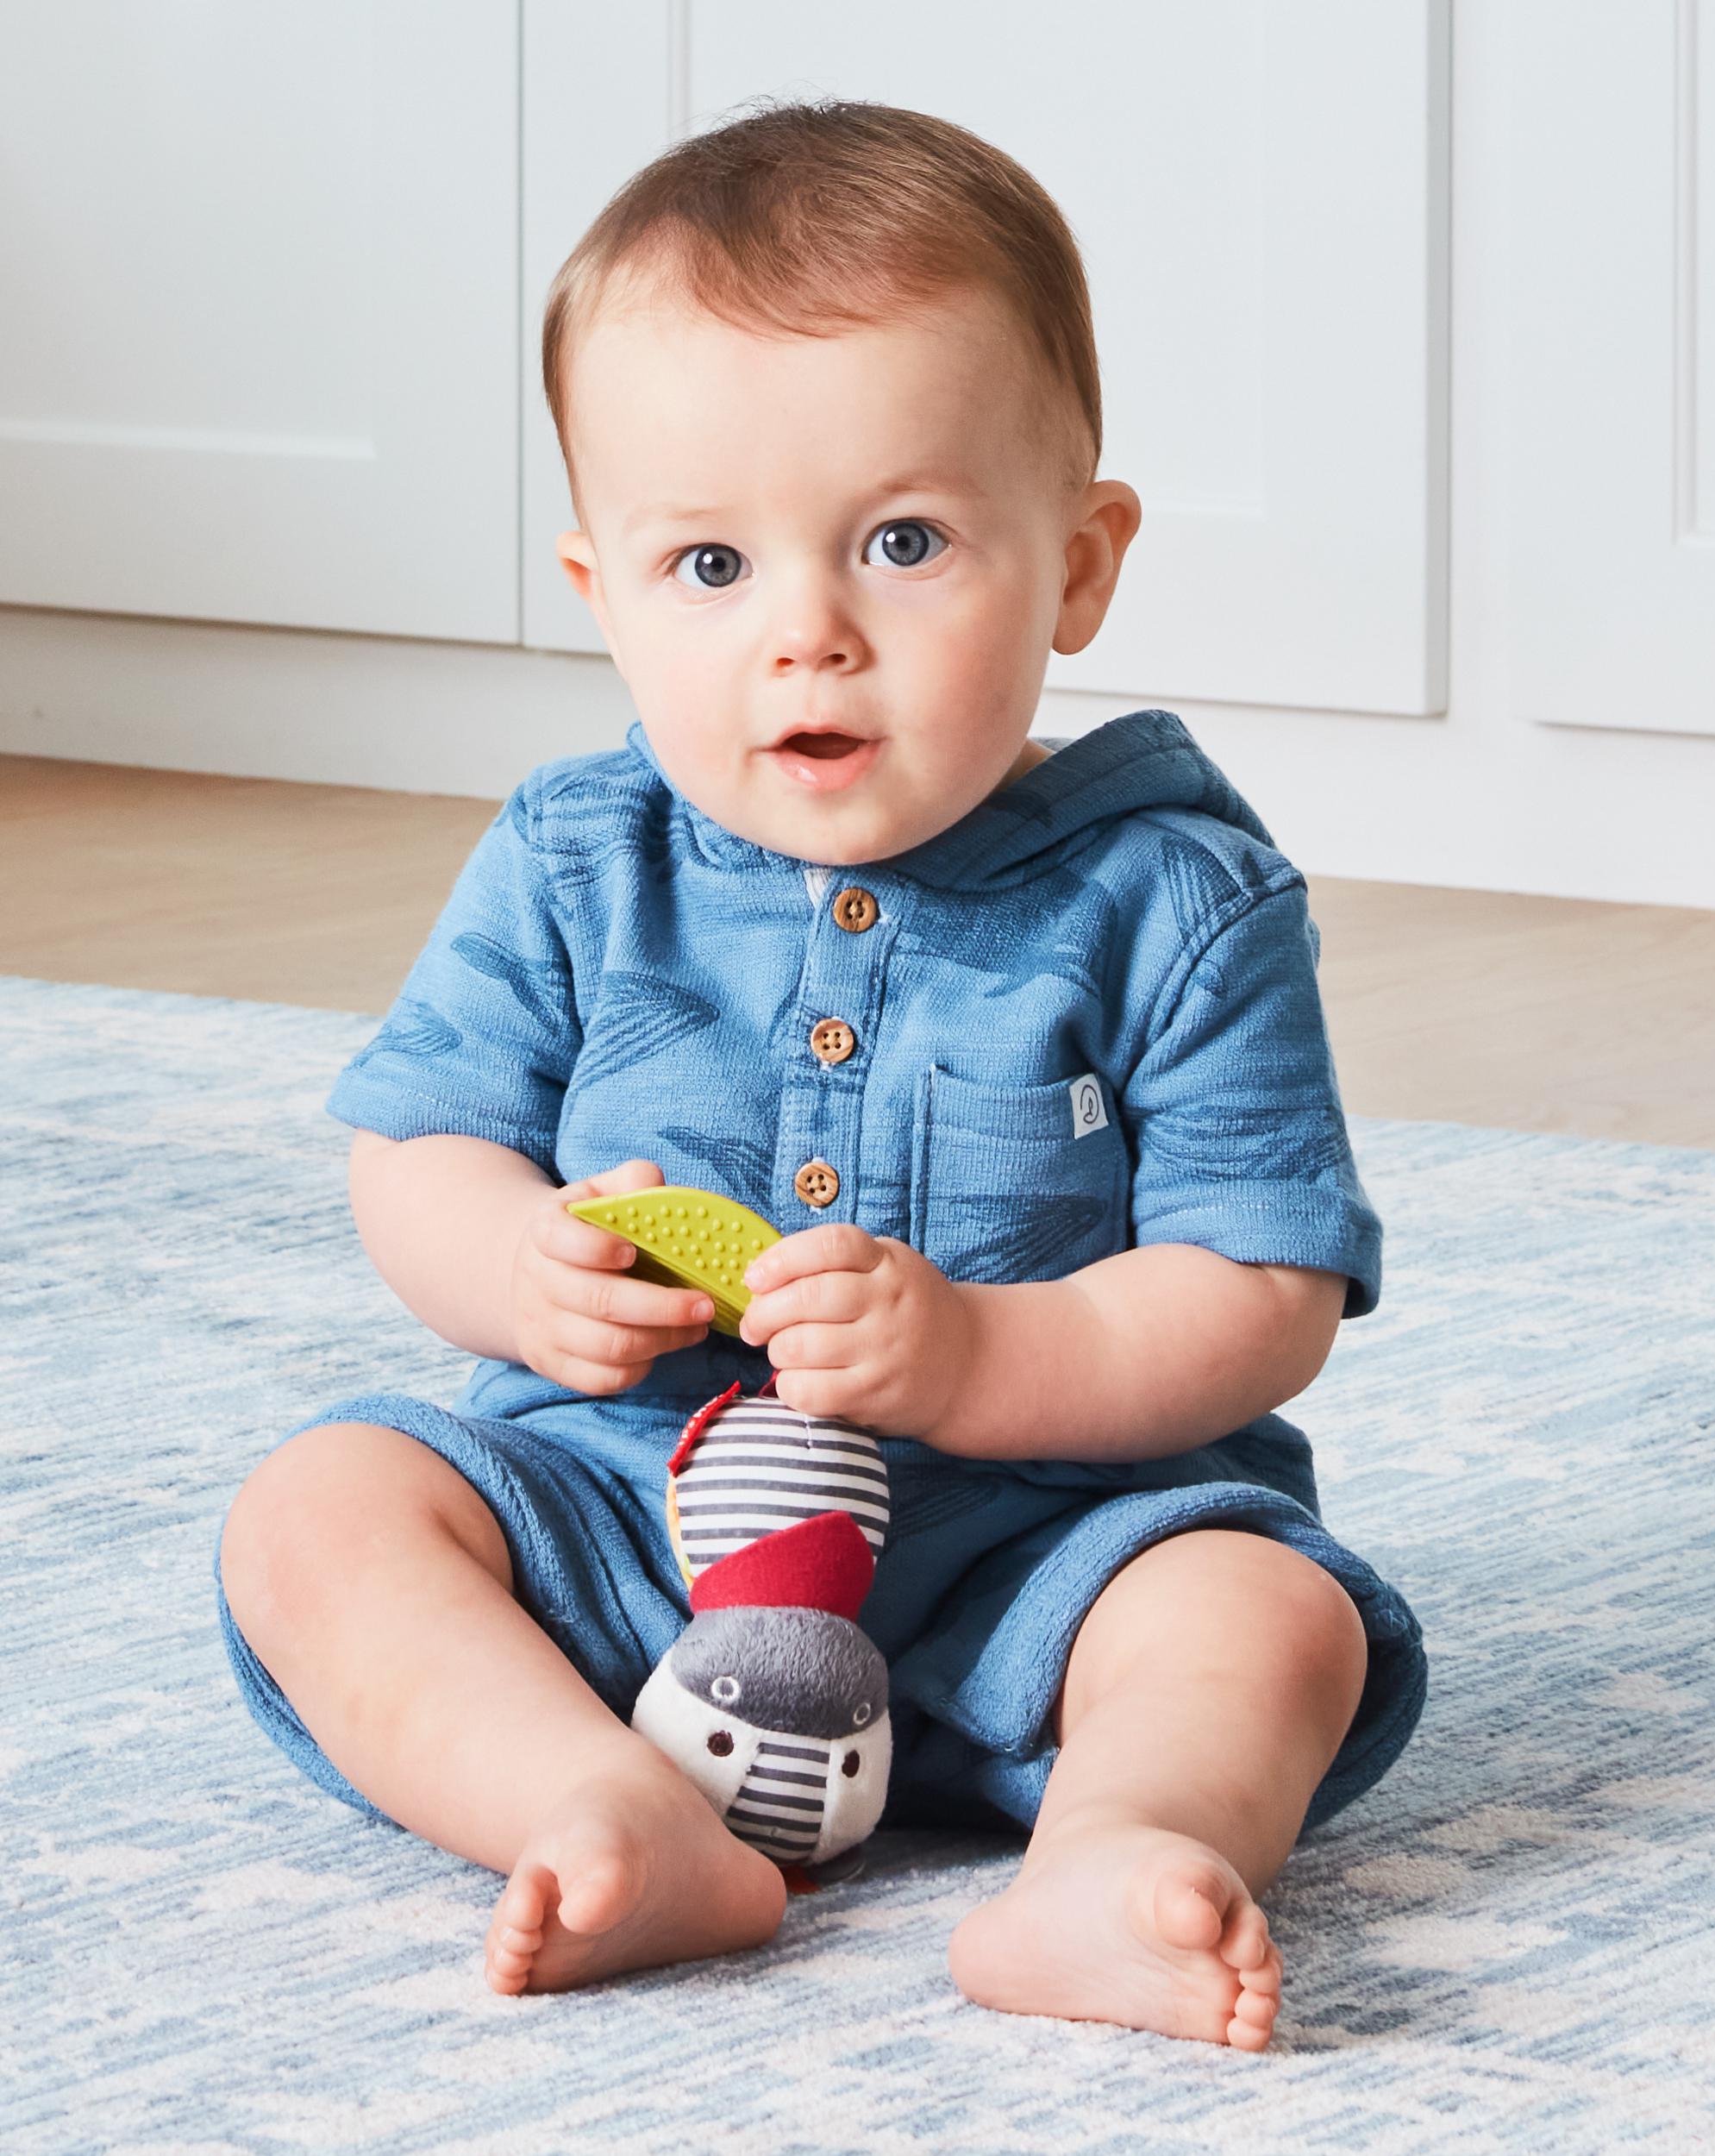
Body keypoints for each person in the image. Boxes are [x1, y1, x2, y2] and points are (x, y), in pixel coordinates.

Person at [213, 97, 1426, 2049]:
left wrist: (982, 1363)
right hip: (622, 1529)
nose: (809, 637)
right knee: (321, 1505)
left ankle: (1112, 1852)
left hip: (1039, 1547)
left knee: (1259, 1613)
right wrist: (518, 1263)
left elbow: (1258, 1292)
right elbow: (423, 1140)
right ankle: (592, 1800)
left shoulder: (1178, 896)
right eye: (708, 565)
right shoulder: (569, 855)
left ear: (1078, 565)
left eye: (905, 541)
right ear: (601, 591)